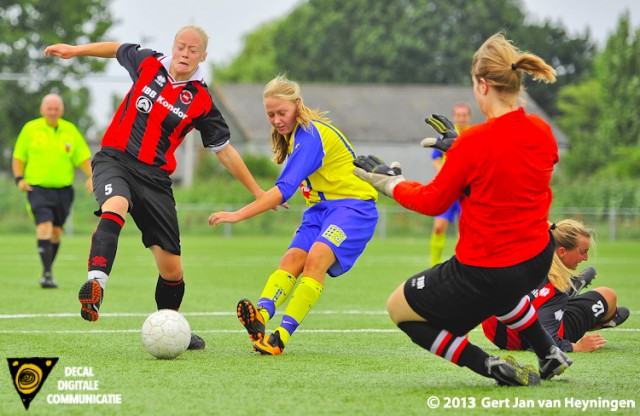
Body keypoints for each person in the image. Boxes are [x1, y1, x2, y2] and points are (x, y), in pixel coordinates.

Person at [354, 33, 572, 386]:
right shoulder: (542, 130)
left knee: (399, 308)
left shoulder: (475, 142)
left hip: (486, 270)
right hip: (536, 260)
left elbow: (433, 201)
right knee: (505, 293)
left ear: (483, 84)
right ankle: (549, 352)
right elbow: (505, 174)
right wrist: (461, 150)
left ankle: (488, 366)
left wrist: (390, 182)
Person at [44, 25, 266, 350]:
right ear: (173, 47)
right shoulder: (148, 62)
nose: (185, 54)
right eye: (181, 46)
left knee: (172, 270)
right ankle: (95, 286)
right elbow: (116, 48)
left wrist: (258, 192)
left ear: (202, 56)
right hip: (115, 159)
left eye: (193, 50)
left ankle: (170, 325)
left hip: (156, 180)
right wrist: (75, 50)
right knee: (115, 204)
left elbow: (225, 151)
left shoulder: (202, 100)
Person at [208, 75, 378, 355]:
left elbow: (284, 188)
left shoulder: (310, 135)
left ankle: (280, 337)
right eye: (270, 114)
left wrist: (238, 215)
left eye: (281, 112)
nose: (276, 119)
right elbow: (289, 185)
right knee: (292, 259)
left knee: (316, 258)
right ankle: (260, 317)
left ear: (298, 106)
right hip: (320, 210)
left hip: (353, 208)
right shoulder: (294, 137)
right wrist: (268, 196)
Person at [482, 219, 630, 353]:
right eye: (583, 252)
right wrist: (577, 347)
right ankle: (577, 294)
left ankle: (571, 287)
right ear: (562, 252)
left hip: (497, 334)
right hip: (523, 339)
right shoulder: (554, 287)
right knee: (608, 295)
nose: (586, 258)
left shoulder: (524, 250)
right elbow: (543, 343)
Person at [12, 94, 93, 289]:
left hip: (63, 191)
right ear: (42, 109)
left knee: (56, 232)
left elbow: (83, 158)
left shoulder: (70, 130)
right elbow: (18, 157)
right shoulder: (30, 129)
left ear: (61, 111)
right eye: (49, 108)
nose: (52, 111)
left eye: (56, 108)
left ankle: (48, 270)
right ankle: (47, 274)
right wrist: (19, 178)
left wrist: (93, 176)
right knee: (44, 226)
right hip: (37, 188)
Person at [427, 103, 471, 267]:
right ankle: (434, 263)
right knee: (439, 227)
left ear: (469, 117)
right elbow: (435, 157)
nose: (461, 118)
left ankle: (463, 263)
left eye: (464, 115)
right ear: (454, 117)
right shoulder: (445, 136)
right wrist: (444, 170)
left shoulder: (473, 135)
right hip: (448, 188)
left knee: (465, 231)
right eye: (458, 115)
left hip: (466, 190)